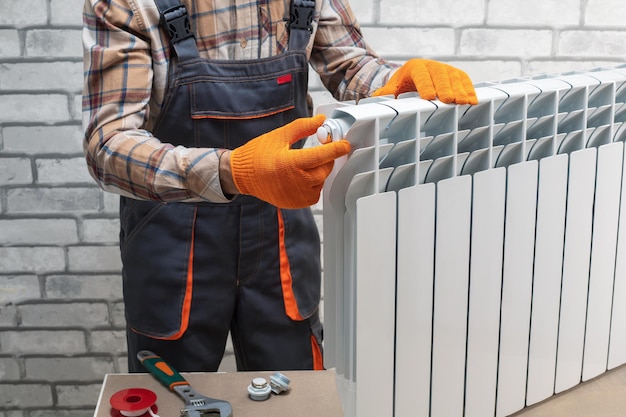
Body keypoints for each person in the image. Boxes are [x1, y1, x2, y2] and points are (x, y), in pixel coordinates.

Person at [82, 0, 477, 373]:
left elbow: (350, 67)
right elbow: (108, 145)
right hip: (171, 237)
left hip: (280, 230)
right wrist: (233, 170)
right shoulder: (129, 4)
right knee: (172, 394)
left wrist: (398, 81)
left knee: (295, 392)